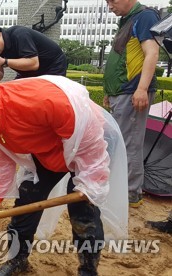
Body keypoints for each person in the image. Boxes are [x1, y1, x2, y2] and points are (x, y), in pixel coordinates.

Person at [0, 76, 127, 276]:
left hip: (88, 144)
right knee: (25, 202)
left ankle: (88, 270)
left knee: (84, 213)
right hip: (46, 152)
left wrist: (90, 185)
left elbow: (90, 142)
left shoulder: (49, 102)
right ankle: (18, 259)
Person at [103, 0, 160, 207]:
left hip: (132, 91)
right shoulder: (128, 20)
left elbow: (152, 53)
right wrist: (110, 91)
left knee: (130, 144)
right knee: (119, 142)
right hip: (121, 92)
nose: (110, 6)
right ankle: (122, 187)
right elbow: (122, 60)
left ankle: (131, 193)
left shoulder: (145, 16)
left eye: (112, 0)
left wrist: (142, 88)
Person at [0, 24, 67, 81]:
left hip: (53, 66)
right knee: (11, 93)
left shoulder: (19, 34)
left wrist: (5, 61)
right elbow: (0, 76)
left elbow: (34, 63)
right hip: (28, 72)